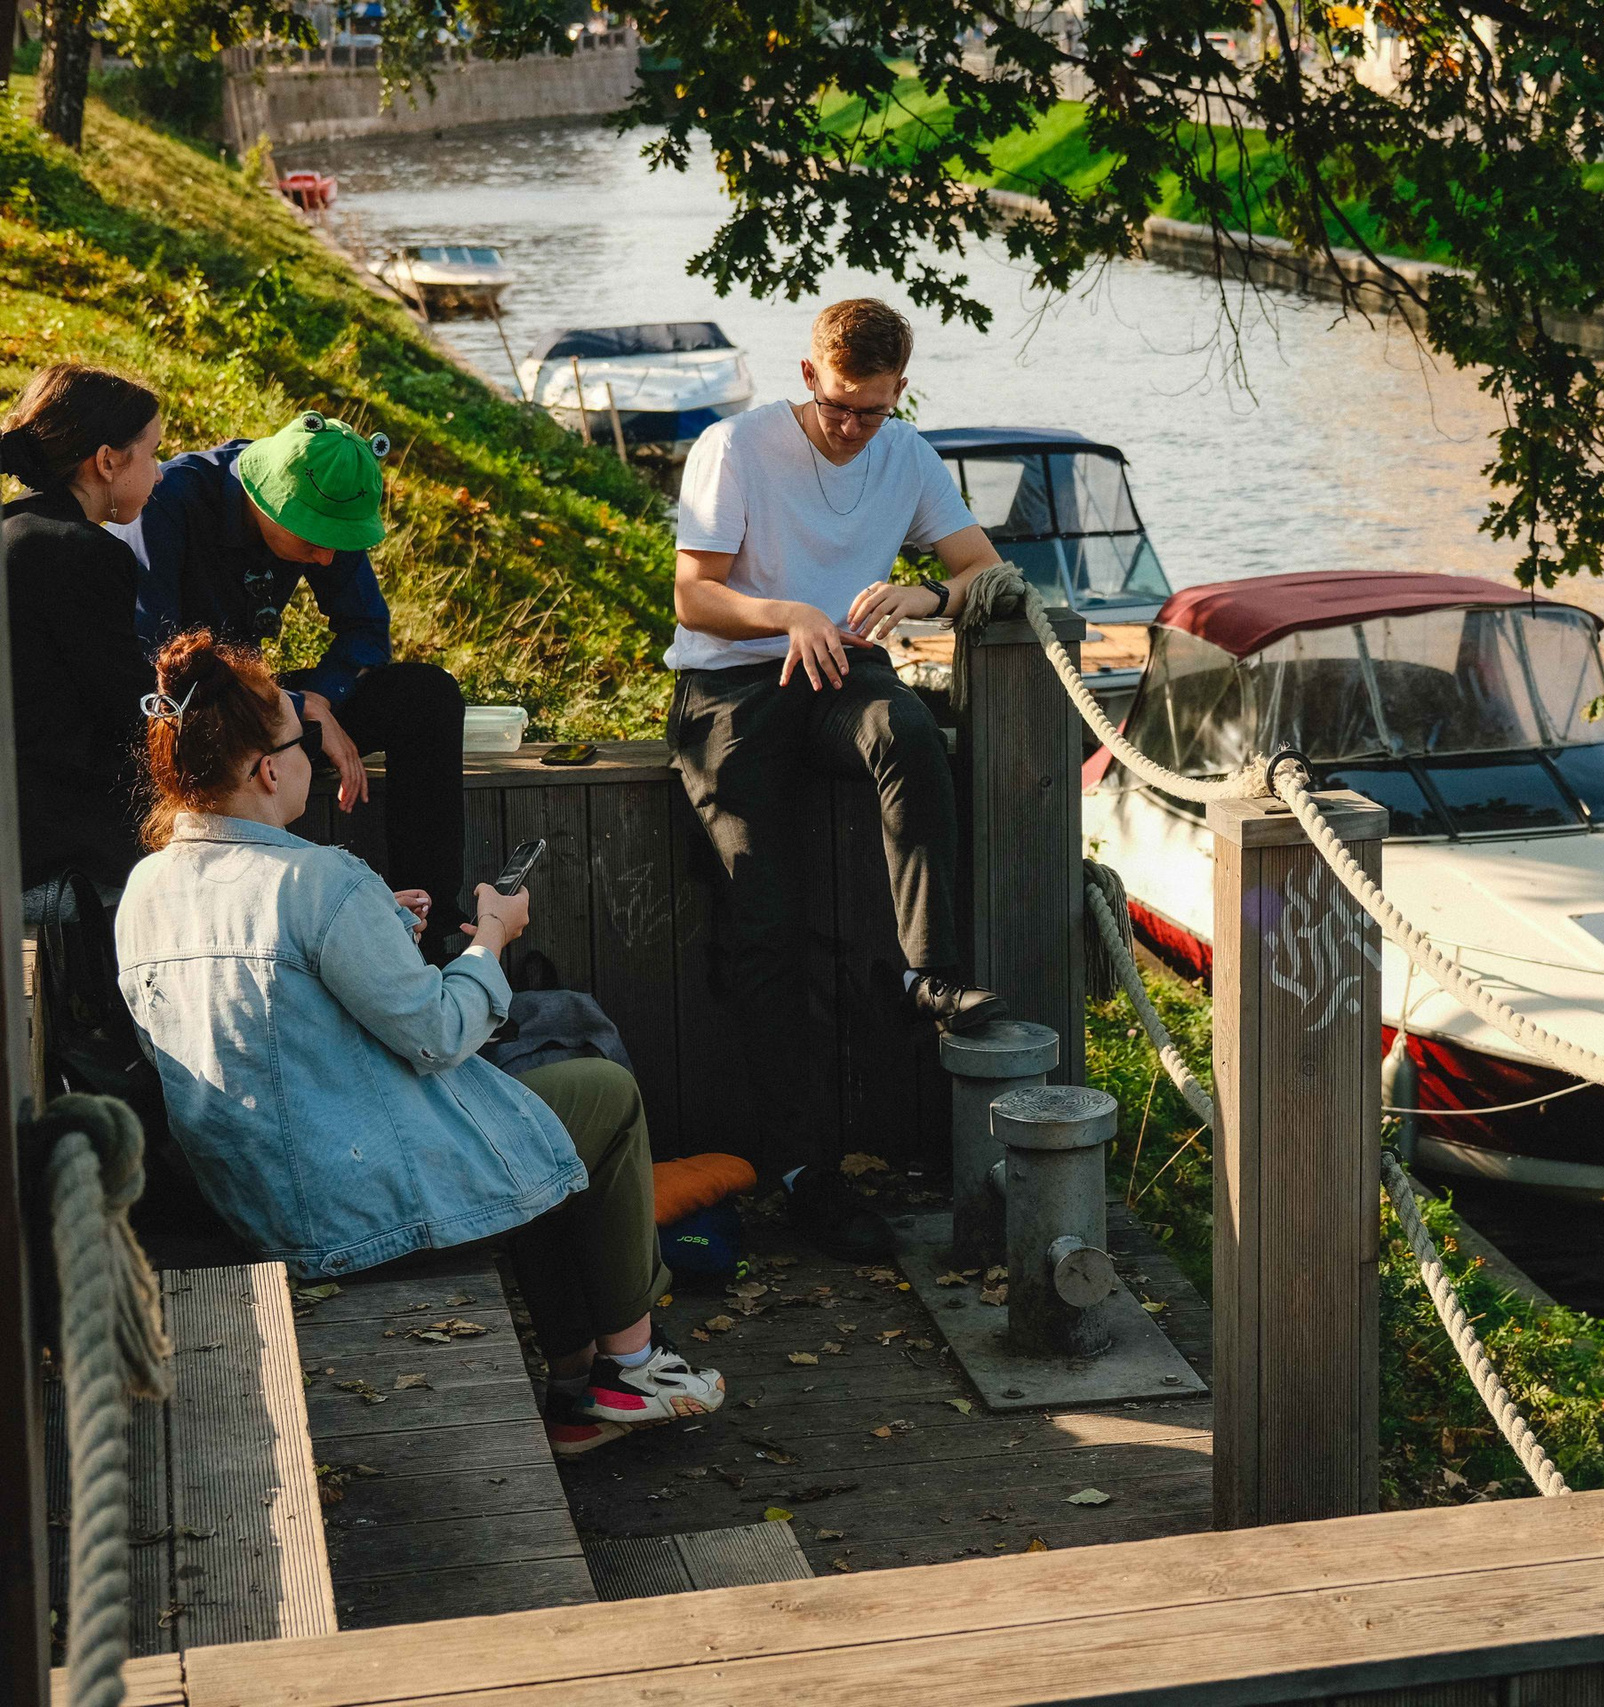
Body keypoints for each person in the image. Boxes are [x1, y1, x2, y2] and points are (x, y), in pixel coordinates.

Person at [113, 631, 722, 1458]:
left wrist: (377, 932)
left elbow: (238, 1028)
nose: (314, 761)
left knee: (528, 1116)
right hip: (351, 1208)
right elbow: (439, 1032)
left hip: (252, 1195)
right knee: (600, 1097)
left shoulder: (145, 888)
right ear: (267, 770)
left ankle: (580, 1392)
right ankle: (632, 1363)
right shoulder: (318, 881)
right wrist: (492, 940)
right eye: (302, 744)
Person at [666, 297, 1005, 1259]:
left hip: (842, 675)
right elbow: (695, 592)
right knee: (763, 924)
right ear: (809, 378)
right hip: (732, 683)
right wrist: (786, 614)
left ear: (901, 390)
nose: (855, 429)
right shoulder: (733, 446)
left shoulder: (905, 453)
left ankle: (929, 973)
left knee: (909, 734)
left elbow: (982, 569)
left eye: (876, 409)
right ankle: (803, 1171)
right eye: (842, 407)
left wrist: (924, 592)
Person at [127, 412, 468, 951]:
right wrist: (291, 703)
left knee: (427, 696)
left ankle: (436, 934)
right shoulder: (171, 502)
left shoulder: (327, 507)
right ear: (265, 501)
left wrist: (320, 698)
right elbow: (152, 658)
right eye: (314, 542)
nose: (328, 557)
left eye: (341, 542)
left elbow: (367, 632)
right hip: (184, 709)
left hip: (265, 709)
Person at [1, 364, 162, 899]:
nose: (160, 474)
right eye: (154, 452)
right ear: (108, 460)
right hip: (46, 825)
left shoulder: (14, 530)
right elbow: (125, 710)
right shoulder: (81, 553)